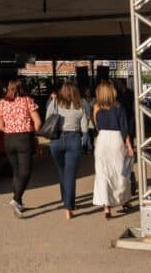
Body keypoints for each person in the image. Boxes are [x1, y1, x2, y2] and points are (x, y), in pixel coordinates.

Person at [0, 78, 42, 218]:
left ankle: (19, 203)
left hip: (8, 139)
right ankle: (16, 199)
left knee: (16, 172)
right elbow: (38, 122)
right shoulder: (27, 101)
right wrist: (33, 133)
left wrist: (11, 129)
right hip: (24, 138)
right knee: (26, 172)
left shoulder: (1, 103)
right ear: (22, 88)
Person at [93, 79, 134, 218]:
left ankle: (106, 207)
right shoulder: (119, 107)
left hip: (102, 139)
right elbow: (124, 129)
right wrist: (129, 146)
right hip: (116, 139)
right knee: (120, 172)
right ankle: (124, 200)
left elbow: (97, 127)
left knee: (103, 174)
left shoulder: (96, 107)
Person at [49, 82, 88, 220]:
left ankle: (65, 199)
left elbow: (48, 118)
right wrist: (85, 143)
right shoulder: (81, 104)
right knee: (70, 174)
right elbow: (84, 128)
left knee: (62, 171)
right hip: (74, 139)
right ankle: (68, 207)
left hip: (57, 140)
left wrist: (53, 101)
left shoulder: (55, 103)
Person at [81, 88, 95, 154]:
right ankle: (86, 147)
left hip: (92, 119)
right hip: (84, 119)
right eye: (87, 92)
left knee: (91, 134)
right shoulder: (82, 100)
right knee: (85, 133)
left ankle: (89, 147)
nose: (88, 93)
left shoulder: (94, 100)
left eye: (89, 92)